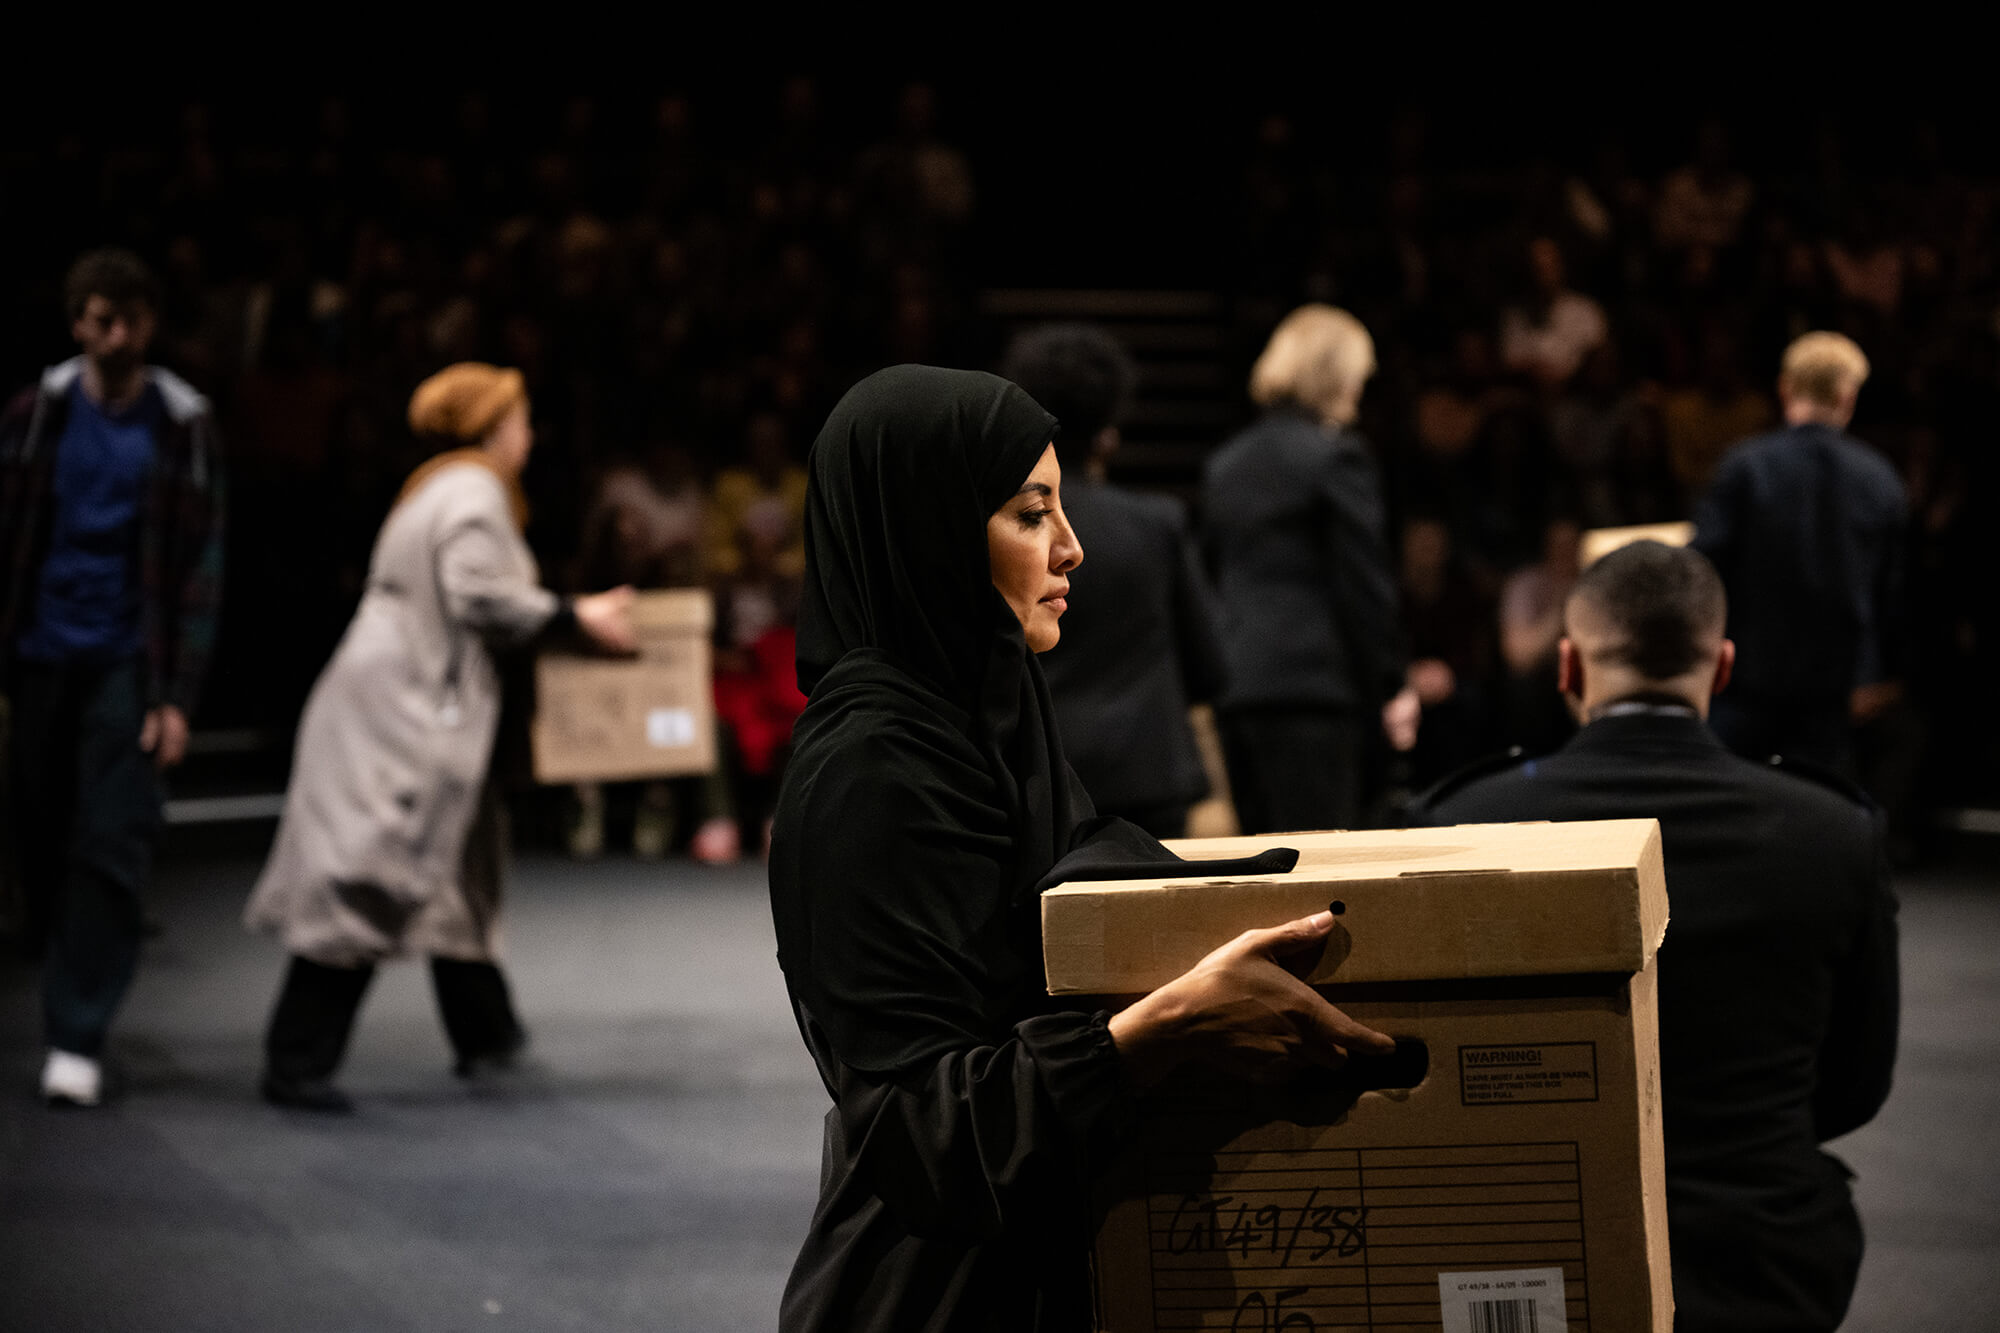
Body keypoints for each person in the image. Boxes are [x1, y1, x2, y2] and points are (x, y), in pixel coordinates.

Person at [768, 365, 1393, 1331]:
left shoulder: (984, 707)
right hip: (931, 1294)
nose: (1072, 547)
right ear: (928, 531)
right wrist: (1166, 1025)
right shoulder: (873, 769)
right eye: (1030, 514)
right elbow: (920, 1132)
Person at [1411, 540, 1899, 1333]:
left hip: (1526, 1253)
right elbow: (1854, 1083)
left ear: (1567, 669)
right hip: (1760, 1263)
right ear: (1724, 666)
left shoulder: (1461, 826)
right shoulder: (1833, 832)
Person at [244, 362, 635, 1112]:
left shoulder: (441, 485)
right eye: (520, 420)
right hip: (406, 709)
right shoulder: (474, 490)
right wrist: (573, 618)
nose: (528, 434)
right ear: (492, 427)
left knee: (460, 866)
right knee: (369, 869)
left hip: (405, 695)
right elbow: (479, 595)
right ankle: (296, 1057)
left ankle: (486, 1032)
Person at [0, 248, 225, 1107]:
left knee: (114, 836)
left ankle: (77, 1032)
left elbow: (202, 567)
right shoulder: (34, 417)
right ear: (77, 324)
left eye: (132, 319)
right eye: (102, 319)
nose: (118, 335)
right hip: (38, 652)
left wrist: (177, 698)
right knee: (46, 835)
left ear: (151, 325)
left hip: (131, 656)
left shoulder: (181, 423)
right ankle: (64, 983)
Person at [1001, 323, 1225, 839]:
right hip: (1150, 771)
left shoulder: (1003, 527)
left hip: (1038, 767)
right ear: (1109, 432)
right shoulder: (1157, 523)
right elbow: (1209, 666)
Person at [1201, 305, 1418, 833]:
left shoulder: (1226, 463)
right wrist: (1391, 683)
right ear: (1339, 376)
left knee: (1262, 861)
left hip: (1239, 686)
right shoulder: (1336, 458)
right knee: (1321, 863)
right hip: (1315, 689)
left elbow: (1215, 574)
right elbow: (1363, 586)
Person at [1691, 331, 1907, 777]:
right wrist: (1874, 675)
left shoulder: (1745, 466)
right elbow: (1892, 593)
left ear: (1785, 387)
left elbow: (1702, 569)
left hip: (1746, 681)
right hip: (1836, 689)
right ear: (1848, 395)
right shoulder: (1880, 478)